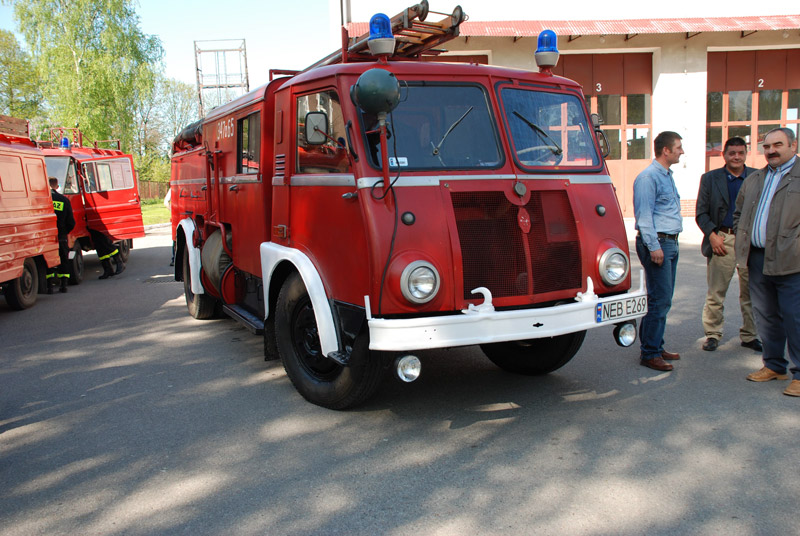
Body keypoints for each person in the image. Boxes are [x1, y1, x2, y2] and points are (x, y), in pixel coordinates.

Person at [733, 127, 800, 397]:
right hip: (758, 258)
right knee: (766, 316)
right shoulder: (755, 178)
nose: (771, 150)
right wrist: (741, 237)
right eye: (767, 146)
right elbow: (738, 214)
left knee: (795, 318)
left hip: (791, 260)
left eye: (778, 145)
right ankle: (774, 365)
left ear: (793, 146)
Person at [695, 137, 761, 352]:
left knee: (750, 292)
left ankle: (750, 335)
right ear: (724, 154)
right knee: (716, 292)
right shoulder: (710, 178)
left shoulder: (758, 177)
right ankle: (713, 334)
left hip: (750, 242)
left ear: (745, 154)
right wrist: (712, 235)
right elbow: (701, 212)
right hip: (722, 239)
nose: (736, 156)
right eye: (732, 152)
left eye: (740, 152)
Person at [633, 131, 684, 371]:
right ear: (666, 150)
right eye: (678, 147)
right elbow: (644, 216)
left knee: (663, 299)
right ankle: (650, 353)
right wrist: (654, 246)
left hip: (670, 242)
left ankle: (655, 344)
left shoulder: (666, 175)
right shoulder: (648, 177)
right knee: (659, 299)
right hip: (659, 244)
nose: (681, 151)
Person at [48, 177, 75, 294]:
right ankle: (63, 285)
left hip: (46, 237)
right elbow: (71, 222)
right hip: (61, 235)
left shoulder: (43, 200)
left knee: (47, 260)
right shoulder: (63, 200)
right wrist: (64, 232)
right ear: (57, 186)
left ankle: (49, 287)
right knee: (63, 258)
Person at [164, 188, 175, 266]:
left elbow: (166, 202)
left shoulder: (173, 188)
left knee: (175, 239)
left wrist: (171, 210)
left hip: (176, 216)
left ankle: (174, 259)